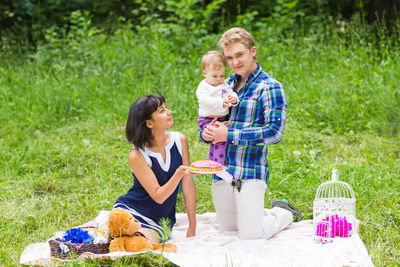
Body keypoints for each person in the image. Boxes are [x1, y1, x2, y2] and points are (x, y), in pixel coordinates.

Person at [200, 27, 301, 240]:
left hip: (250, 171)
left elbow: (274, 132)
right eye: (229, 58)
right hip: (224, 171)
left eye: (239, 55)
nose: (235, 62)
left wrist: (230, 134)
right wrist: (207, 133)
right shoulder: (225, 85)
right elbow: (210, 119)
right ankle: (253, 214)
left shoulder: (269, 87)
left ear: (252, 51)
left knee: (251, 236)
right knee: (228, 230)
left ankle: (283, 212)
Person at [113, 94, 197, 243]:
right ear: (149, 123)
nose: (169, 112)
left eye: (166, 107)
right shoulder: (137, 154)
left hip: (160, 221)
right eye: (162, 110)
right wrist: (178, 174)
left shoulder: (180, 140)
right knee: (123, 235)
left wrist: (192, 226)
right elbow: (158, 196)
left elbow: (188, 184)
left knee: (141, 243)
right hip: (132, 210)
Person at [196, 50, 238, 165]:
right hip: (207, 118)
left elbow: (231, 92)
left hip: (222, 118)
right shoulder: (204, 86)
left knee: (219, 140)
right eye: (214, 76)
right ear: (204, 73)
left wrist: (234, 99)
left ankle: (214, 163)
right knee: (218, 139)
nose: (219, 79)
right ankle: (218, 166)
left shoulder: (223, 84)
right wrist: (221, 103)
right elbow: (205, 100)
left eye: (222, 75)